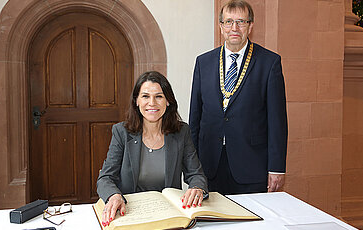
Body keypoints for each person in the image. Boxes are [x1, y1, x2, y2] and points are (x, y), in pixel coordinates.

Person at [189, 0, 287, 195]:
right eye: (228, 22)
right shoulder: (204, 62)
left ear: (250, 26)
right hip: (209, 165)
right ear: (221, 26)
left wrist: (276, 168)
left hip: (251, 165)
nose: (234, 28)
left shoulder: (269, 63)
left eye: (241, 22)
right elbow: (195, 118)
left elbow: (277, 121)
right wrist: (192, 166)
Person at [97, 71, 208, 227]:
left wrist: (197, 188)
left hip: (169, 217)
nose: (152, 103)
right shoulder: (121, 132)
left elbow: (196, 174)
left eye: (159, 96)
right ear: (136, 101)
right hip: (131, 214)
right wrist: (114, 196)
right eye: (145, 96)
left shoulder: (182, 132)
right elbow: (105, 178)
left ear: (168, 101)